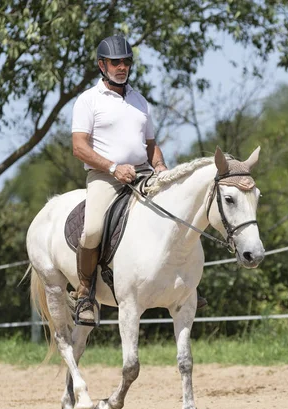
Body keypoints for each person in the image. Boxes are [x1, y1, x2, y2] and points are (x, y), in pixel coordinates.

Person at [71, 35, 206, 325]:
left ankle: (187, 285)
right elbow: (79, 146)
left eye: (127, 62)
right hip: (105, 176)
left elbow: (150, 144)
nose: (122, 67)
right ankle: (84, 293)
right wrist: (112, 167)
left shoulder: (139, 101)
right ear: (102, 65)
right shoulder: (88, 100)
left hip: (143, 172)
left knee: (177, 214)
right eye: (116, 62)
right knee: (92, 229)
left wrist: (160, 165)